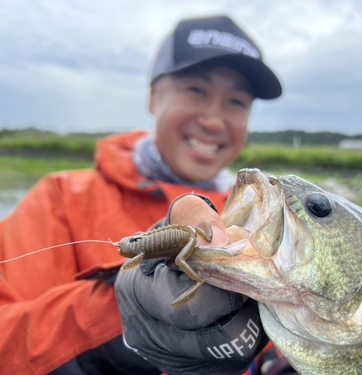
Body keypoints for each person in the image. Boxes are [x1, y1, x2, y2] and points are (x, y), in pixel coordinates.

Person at [0, 14, 297, 375]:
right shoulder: (61, 198)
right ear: (154, 97)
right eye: (197, 90)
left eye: (237, 102)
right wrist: (119, 316)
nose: (214, 120)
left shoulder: (262, 221)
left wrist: (277, 357)